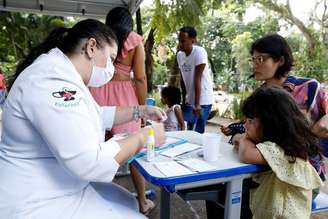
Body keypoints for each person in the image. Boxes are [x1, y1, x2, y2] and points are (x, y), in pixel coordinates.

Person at [0, 19, 166, 219]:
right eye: (111, 59)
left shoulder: (68, 77)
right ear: (91, 47)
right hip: (35, 199)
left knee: (127, 200)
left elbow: (98, 114)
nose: (112, 69)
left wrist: (141, 110)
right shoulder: (52, 80)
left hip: (61, 184)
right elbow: (89, 162)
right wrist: (143, 136)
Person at [221, 33, 328, 180]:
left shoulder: (308, 87)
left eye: (261, 59)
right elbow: (252, 129)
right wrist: (236, 130)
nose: (255, 65)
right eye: (253, 59)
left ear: (281, 60)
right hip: (264, 168)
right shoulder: (260, 94)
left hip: (303, 173)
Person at [89, 7, 152, 214]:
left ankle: (97, 201)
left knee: (98, 150)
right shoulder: (134, 40)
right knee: (132, 148)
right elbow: (141, 78)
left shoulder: (100, 37)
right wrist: (142, 109)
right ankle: (142, 201)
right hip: (123, 96)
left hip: (98, 92)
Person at [236, 86, 322, 219]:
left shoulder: (281, 151)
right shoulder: (292, 146)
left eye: (250, 121)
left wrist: (245, 138)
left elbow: (245, 154)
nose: (245, 125)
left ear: (272, 123)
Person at [177, 26, 214, 133]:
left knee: (198, 131)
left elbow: (197, 78)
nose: (180, 43)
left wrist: (197, 104)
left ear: (193, 40)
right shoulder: (180, 55)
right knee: (189, 130)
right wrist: (184, 100)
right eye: (179, 40)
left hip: (203, 99)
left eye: (183, 41)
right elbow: (183, 79)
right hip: (191, 99)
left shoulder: (199, 52)